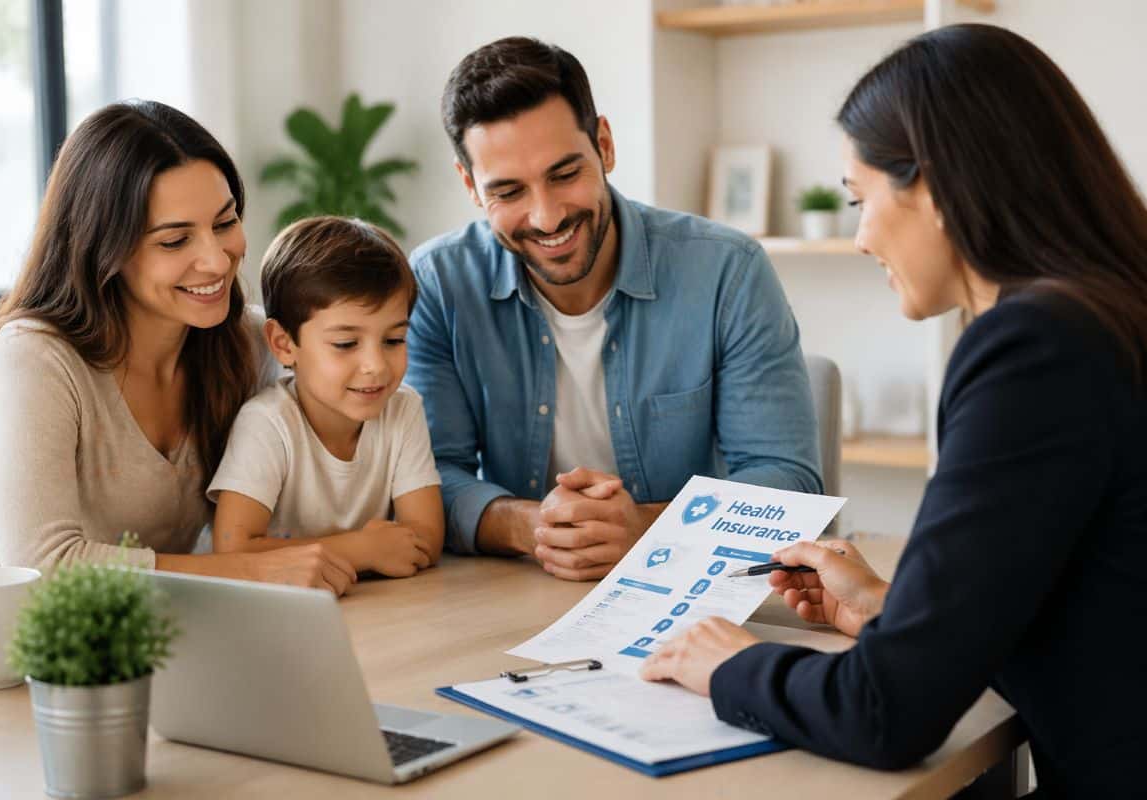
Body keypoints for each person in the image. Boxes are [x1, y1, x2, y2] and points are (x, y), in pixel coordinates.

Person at [640, 24, 1147, 797]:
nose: (860, 236)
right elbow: (1095, 612)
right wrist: (894, 614)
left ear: (936, 188)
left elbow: (885, 712)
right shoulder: (1107, 314)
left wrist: (730, 666)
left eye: (861, 198)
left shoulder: (1035, 348)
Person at [407, 36, 822, 581]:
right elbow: (431, 477)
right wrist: (536, 527)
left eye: (564, 174)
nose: (547, 216)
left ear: (603, 144)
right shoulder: (437, 283)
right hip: (516, 589)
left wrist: (645, 529)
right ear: (470, 185)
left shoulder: (727, 271)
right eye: (508, 192)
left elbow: (786, 478)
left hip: (686, 586)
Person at [0, 101, 356, 595]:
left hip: (150, 637)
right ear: (106, 249)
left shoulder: (246, 343)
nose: (216, 259)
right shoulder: (34, 356)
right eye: (174, 241)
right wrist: (249, 570)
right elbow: (45, 567)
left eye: (224, 223)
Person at [208, 216, 444, 578]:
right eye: (346, 344)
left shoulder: (403, 409)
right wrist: (360, 550)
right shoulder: (267, 423)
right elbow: (232, 550)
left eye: (394, 340)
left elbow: (427, 537)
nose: (375, 366)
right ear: (284, 345)